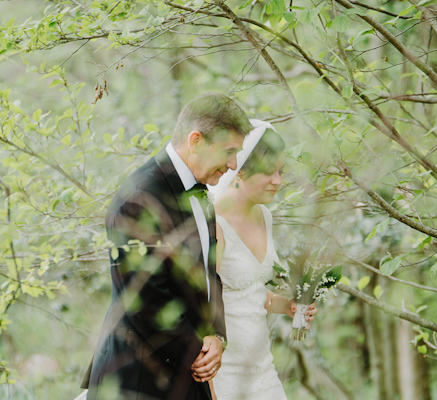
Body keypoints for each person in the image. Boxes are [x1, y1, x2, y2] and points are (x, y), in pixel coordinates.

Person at [82, 93, 252, 400]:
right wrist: (198, 349)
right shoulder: (139, 196)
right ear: (196, 141)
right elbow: (145, 297)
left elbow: (208, 275)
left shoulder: (201, 192)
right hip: (139, 379)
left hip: (186, 374)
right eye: (229, 151)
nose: (233, 164)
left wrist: (216, 335)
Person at [209, 121, 318, 400]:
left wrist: (288, 307)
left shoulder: (264, 216)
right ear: (240, 170)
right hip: (223, 375)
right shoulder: (216, 224)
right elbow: (202, 307)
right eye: (269, 172)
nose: (278, 181)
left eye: (281, 171)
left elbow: (254, 293)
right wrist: (210, 392)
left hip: (263, 372)